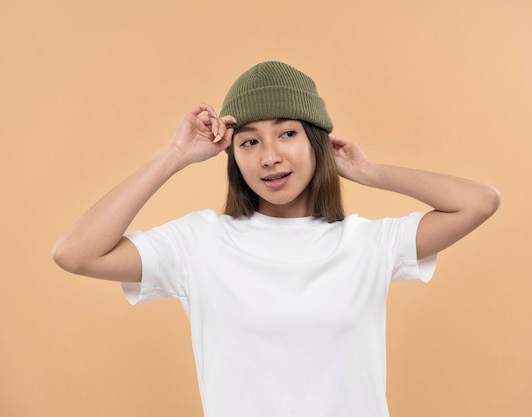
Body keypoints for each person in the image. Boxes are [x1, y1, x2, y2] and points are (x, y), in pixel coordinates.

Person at [52, 61, 501, 417]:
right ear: (232, 156)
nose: (270, 157)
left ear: (316, 143)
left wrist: (370, 172)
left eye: (288, 133)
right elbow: (75, 253)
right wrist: (173, 155)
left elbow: (480, 201)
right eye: (248, 142)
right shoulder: (200, 244)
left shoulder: (368, 244)